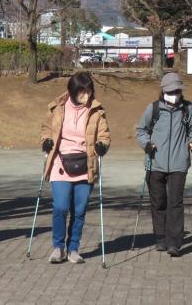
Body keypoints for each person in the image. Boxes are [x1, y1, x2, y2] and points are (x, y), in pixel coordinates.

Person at [41, 71, 110, 264]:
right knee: (61, 207)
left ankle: (73, 249)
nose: (85, 95)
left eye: (88, 91)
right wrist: (46, 141)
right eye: (81, 91)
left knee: (79, 210)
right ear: (72, 91)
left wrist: (102, 145)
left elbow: (104, 134)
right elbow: (46, 128)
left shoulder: (97, 110)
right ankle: (58, 247)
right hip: (60, 163)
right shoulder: (57, 108)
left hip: (85, 164)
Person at [135, 72, 192, 257]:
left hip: (179, 164)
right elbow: (141, 131)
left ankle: (175, 243)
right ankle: (161, 238)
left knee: (175, 203)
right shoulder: (153, 109)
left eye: (178, 90)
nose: (175, 93)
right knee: (158, 202)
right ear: (163, 91)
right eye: (172, 90)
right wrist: (147, 144)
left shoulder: (188, 109)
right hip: (155, 163)